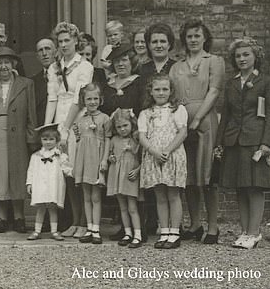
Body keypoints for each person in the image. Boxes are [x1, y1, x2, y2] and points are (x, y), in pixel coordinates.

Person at [216, 37, 270, 249]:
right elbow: (225, 115)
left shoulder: (266, 82)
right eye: (238, 56)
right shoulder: (231, 83)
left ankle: (254, 233)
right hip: (233, 141)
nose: (241, 59)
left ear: (255, 56)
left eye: (246, 54)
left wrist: (266, 144)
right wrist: (219, 142)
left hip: (256, 143)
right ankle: (244, 232)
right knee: (240, 188)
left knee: (255, 188)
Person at [170, 20, 225, 244]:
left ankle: (213, 227)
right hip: (182, 124)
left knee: (207, 176)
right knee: (189, 176)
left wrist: (198, 118)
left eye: (197, 36)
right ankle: (194, 224)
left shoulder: (213, 61)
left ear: (204, 38)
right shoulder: (177, 66)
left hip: (205, 122)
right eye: (189, 36)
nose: (193, 40)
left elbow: (214, 91)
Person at [44, 22, 93, 239]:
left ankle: (85, 222)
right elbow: (52, 98)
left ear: (75, 41)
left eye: (67, 40)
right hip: (59, 121)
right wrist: (48, 129)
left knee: (79, 173)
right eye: (60, 41)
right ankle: (74, 221)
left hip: (77, 121)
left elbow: (78, 100)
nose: (63, 45)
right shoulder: (53, 68)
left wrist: (65, 129)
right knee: (67, 173)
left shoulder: (85, 67)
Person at [0, 47, 38, 234]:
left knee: (17, 172)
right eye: (0, 63)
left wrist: (31, 138)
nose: (3, 66)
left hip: (18, 131)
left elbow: (31, 112)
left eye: (7, 62)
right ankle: (2, 217)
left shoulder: (26, 83)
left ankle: (19, 217)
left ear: (13, 64)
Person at [138, 73, 187, 249]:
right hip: (154, 156)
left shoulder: (177, 110)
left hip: (172, 155)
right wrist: (153, 151)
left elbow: (182, 133)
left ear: (171, 91)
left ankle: (175, 233)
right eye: (157, 89)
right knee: (160, 195)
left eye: (165, 89)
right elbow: (142, 136)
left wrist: (167, 150)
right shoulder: (146, 113)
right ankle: (164, 231)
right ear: (150, 91)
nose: (161, 93)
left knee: (173, 194)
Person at [73, 83, 111, 244]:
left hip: (97, 158)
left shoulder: (105, 118)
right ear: (84, 100)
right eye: (89, 99)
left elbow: (108, 139)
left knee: (96, 196)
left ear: (100, 100)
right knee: (86, 196)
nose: (92, 102)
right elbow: (79, 141)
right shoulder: (81, 120)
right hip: (83, 159)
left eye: (95, 98)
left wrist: (104, 160)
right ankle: (89, 227)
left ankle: (96, 229)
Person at [25, 123, 72, 241]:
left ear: (57, 140)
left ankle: (54, 231)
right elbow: (30, 170)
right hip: (40, 184)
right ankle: (37, 231)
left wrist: (71, 172)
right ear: (40, 140)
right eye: (45, 139)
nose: (48, 142)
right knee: (40, 208)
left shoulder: (59, 155)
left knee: (52, 207)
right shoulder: (36, 156)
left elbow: (65, 167)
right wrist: (29, 183)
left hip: (53, 185)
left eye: (51, 139)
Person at [106, 108, 142, 249]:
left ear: (132, 123)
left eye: (125, 125)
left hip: (129, 176)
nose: (122, 129)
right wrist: (111, 157)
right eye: (119, 127)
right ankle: (127, 233)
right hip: (117, 175)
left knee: (132, 207)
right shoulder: (114, 140)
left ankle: (137, 234)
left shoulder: (136, 139)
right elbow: (110, 154)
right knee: (122, 207)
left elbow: (142, 158)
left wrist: (138, 171)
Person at [101, 46, 144, 117]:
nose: (120, 64)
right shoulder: (107, 84)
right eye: (117, 61)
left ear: (132, 62)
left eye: (124, 60)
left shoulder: (139, 83)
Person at [31, 38, 56, 126]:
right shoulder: (33, 82)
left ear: (55, 52)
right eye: (40, 50)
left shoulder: (65, 74)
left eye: (48, 49)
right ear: (37, 56)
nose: (44, 53)